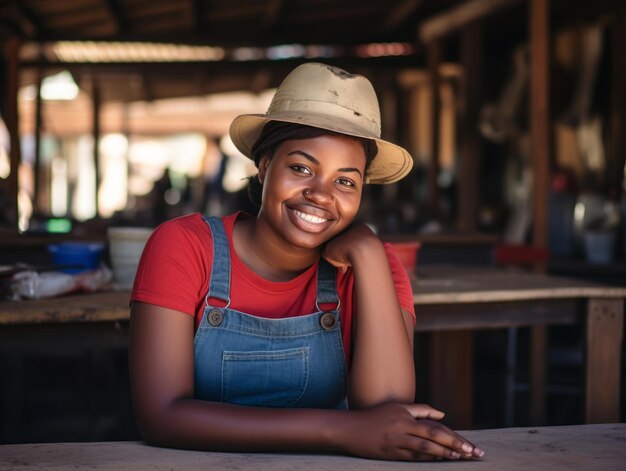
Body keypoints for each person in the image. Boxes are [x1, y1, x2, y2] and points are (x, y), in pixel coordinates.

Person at [129, 62, 484, 462]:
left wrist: (367, 251)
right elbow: (160, 415)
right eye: (301, 168)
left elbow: (387, 409)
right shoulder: (185, 247)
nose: (320, 194)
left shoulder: (373, 267)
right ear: (264, 166)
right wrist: (338, 429)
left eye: (345, 181)